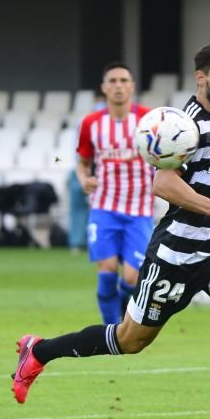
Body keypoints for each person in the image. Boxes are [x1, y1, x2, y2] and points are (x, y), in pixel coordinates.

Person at [12, 43, 210, 419]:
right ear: (201, 78)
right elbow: (164, 184)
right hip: (176, 253)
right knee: (131, 340)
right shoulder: (183, 124)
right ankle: (40, 351)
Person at [76, 62, 152, 324]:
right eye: (113, 81)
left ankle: (122, 318)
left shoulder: (148, 119)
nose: (118, 86)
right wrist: (84, 179)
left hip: (140, 211)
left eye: (123, 80)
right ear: (104, 88)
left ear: (131, 86)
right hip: (104, 207)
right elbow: (83, 163)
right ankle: (111, 330)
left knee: (131, 278)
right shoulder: (91, 123)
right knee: (107, 271)